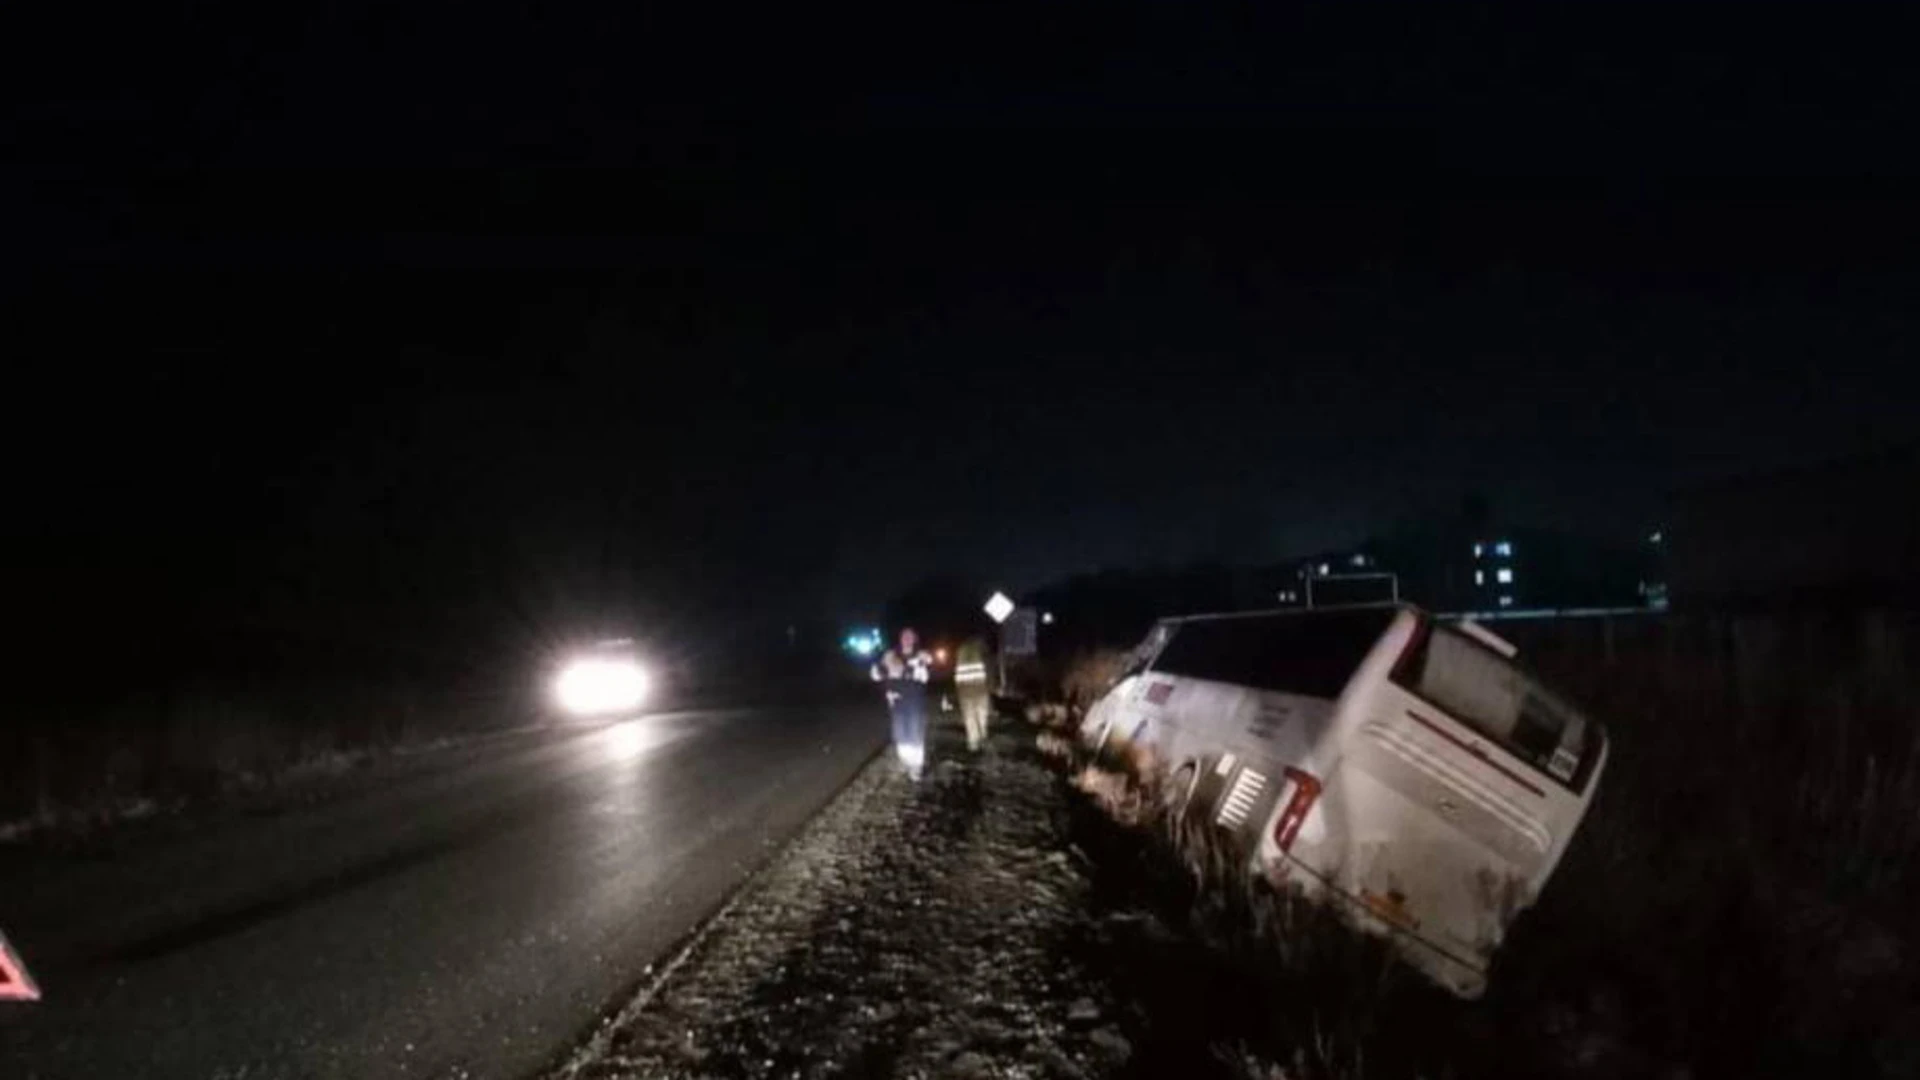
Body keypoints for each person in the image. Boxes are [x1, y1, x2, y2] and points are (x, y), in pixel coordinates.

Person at [871, 626, 933, 778]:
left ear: (915, 639)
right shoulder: (890, 655)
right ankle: (906, 761)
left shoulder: (921, 655)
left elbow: (927, 675)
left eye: (910, 636)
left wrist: (922, 664)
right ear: (900, 639)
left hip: (915, 699)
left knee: (915, 730)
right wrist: (878, 673)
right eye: (904, 636)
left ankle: (916, 766)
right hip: (897, 699)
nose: (907, 639)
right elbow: (877, 675)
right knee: (900, 732)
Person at [953, 636, 993, 750]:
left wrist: (959, 694)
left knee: (970, 717)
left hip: (966, 693)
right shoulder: (981, 658)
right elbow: (987, 676)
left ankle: (973, 741)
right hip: (980, 691)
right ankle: (982, 737)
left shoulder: (961, 658)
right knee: (981, 715)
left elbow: (958, 680)